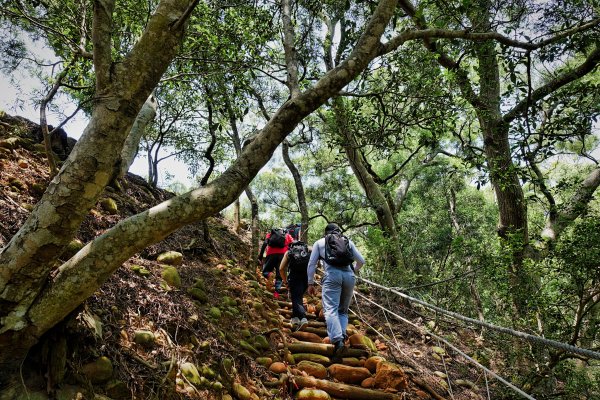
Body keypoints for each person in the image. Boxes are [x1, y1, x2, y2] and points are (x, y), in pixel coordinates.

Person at [307, 223, 365, 362]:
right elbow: (361, 261)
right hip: (349, 276)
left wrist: (310, 282)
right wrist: (352, 271)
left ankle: (338, 341)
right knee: (343, 311)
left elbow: (312, 263)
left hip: (332, 275)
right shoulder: (347, 241)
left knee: (330, 309)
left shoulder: (320, 242)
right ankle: (341, 337)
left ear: (325, 232)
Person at [279, 241, 311, 331]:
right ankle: (295, 320)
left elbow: (281, 268)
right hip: (306, 278)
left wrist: (285, 281)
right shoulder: (308, 250)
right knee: (297, 297)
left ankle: (303, 318)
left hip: (294, 277)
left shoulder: (289, 252)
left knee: (296, 299)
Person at [258, 228, 294, 294]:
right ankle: (276, 294)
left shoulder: (270, 234)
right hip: (283, 255)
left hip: (271, 254)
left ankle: (269, 274)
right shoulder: (287, 235)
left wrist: (260, 257)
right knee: (279, 275)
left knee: (265, 271)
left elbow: (265, 244)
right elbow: (293, 246)